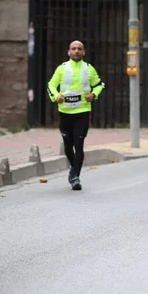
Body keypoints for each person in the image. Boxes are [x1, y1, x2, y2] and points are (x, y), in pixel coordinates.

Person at [47, 40, 105, 190]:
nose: (77, 51)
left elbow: (99, 85)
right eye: (74, 49)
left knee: (78, 145)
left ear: (84, 52)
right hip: (65, 112)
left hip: (82, 112)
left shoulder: (89, 69)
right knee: (68, 146)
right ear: (69, 52)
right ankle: (74, 169)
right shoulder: (62, 69)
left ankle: (75, 177)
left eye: (79, 49)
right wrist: (56, 96)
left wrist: (93, 94)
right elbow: (51, 85)